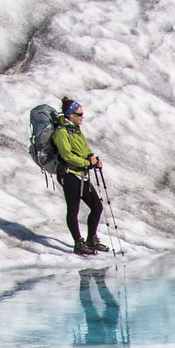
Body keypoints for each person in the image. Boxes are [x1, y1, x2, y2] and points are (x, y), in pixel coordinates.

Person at [52, 99, 109, 256]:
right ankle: (78, 243)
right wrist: (86, 162)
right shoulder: (61, 133)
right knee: (73, 210)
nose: (82, 117)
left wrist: (92, 157)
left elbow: (84, 147)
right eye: (80, 114)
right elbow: (67, 155)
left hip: (81, 175)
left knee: (97, 207)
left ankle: (91, 239)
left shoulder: (75, 129)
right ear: (70, 115)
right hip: (69, 175)